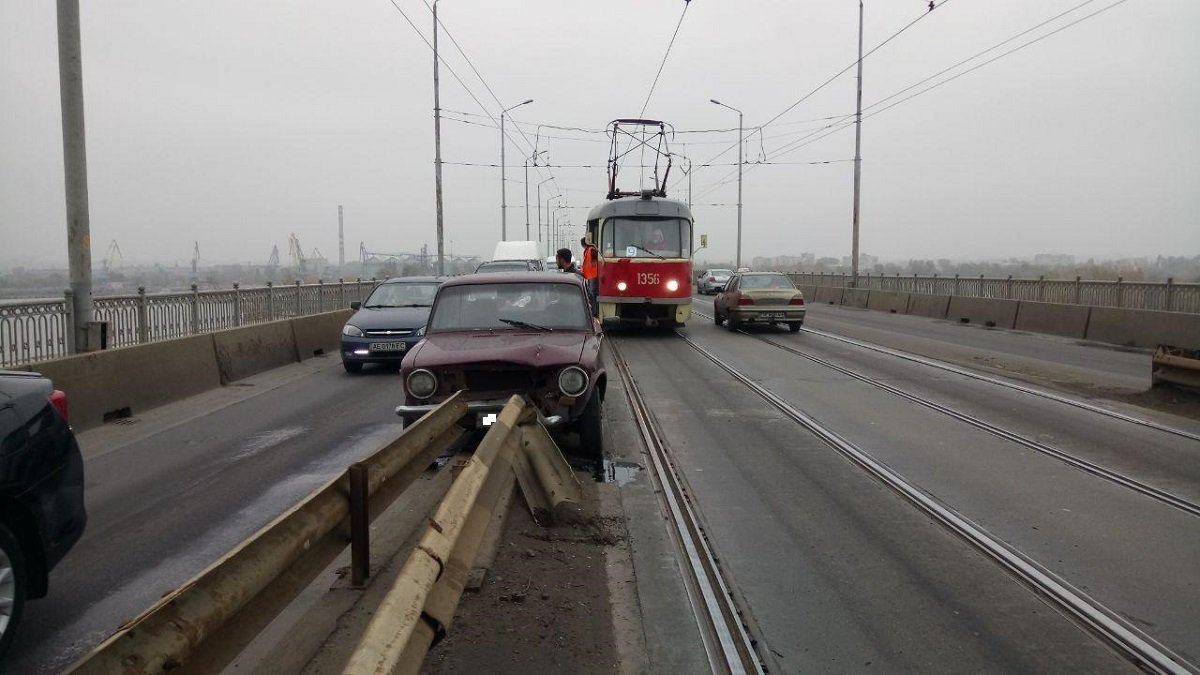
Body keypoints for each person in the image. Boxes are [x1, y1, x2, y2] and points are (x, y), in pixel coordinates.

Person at [580, 236, 599, 316]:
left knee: (593, 294)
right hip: (590, 275)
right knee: (592, 293)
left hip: (594, 274)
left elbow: (597, 259)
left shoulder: (591, 250)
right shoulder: (588, 250)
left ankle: (594, 311)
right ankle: (594, 311)